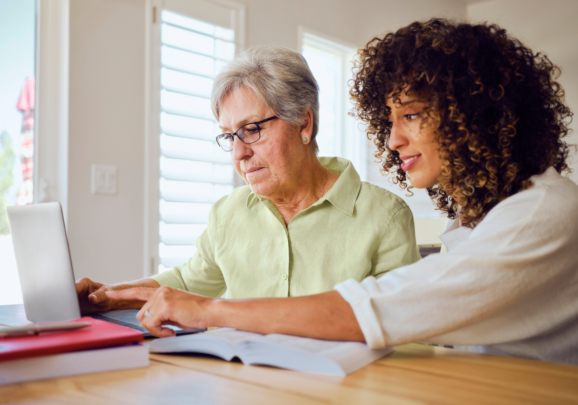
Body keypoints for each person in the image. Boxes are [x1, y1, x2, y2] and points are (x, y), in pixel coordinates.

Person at [108, 19, 578, 366]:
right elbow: (190, 279)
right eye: (390, 121)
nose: (392, 141)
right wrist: (110, 297)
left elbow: (385, 310)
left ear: (475, 112)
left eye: (411, 115)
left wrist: (210, 310)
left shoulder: (542, 213)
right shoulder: (477, 220)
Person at [77, 45, 421, 313]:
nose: (238, 153)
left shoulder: (385, 216)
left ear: (304, 124)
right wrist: (109, 297)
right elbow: (186, 281)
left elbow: (399, 324)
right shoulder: (227, 214)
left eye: (252, 129)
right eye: (229, 136)